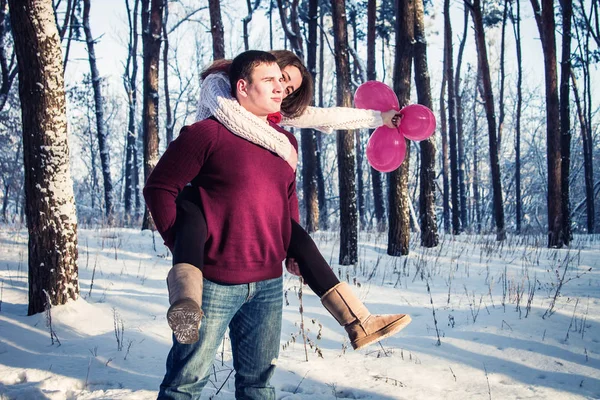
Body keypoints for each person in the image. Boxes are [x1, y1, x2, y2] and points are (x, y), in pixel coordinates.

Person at [164, 49, 411, 351]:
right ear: (251, 80)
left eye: (289, 88)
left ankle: (359, 322)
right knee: (191, 219)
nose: (282, 89)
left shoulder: (279, 131)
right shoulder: (220, 92)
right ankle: (185, 305)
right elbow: (229, 107)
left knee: (301, 239)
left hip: (262, 261)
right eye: (278, 78)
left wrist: (378, 118)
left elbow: (327, 116)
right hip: (205, 192)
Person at [145, 50, 298, 399]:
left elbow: (287, 198)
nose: (280, 88)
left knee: (259, 384)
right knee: (186, 383)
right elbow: (159, 188)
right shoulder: (207, 134)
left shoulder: (284, 142)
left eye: (281, 80)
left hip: (268, 285)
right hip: (214, 283)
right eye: (269, 80)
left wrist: (289, 249)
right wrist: (180, 243)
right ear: (242, 87)